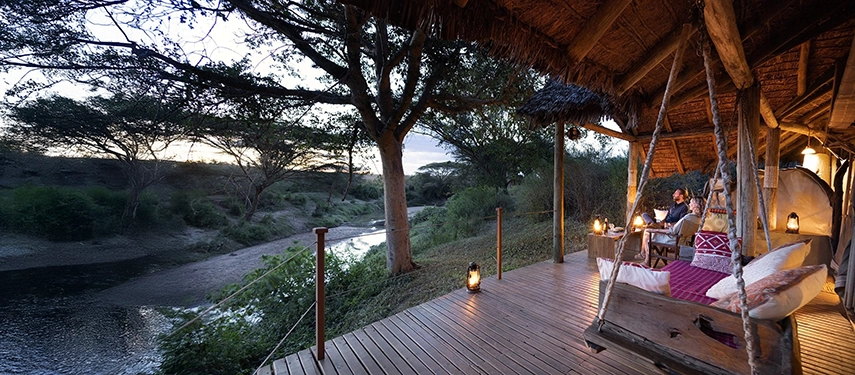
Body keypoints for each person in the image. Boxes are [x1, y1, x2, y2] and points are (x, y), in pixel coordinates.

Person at [636, 196, 705, 262]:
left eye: (691, 202)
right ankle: (645, 254)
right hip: (681, 239)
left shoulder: (688, 217)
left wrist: (655, 230)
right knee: (647, 221)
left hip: (672, 239)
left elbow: (673, 231)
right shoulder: (699, 219)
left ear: (696, 205)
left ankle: (646, 259)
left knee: (647, 233)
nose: (689, 204)